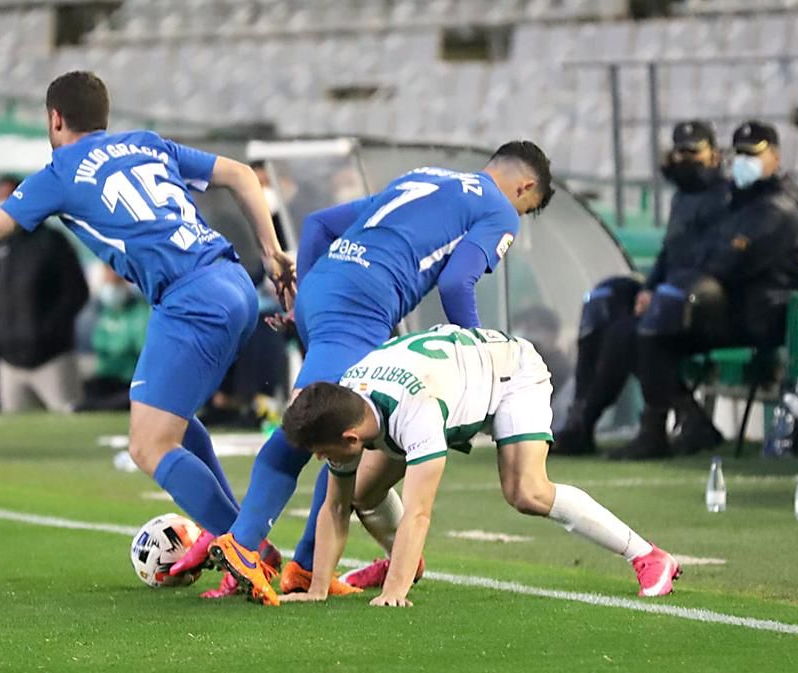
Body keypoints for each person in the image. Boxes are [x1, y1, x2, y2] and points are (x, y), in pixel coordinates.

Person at [0, 71, 295, 598]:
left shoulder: (59, 172)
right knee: (174, 423)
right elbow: (241, 174)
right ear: (105, 116)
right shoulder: (145, 143)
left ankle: (245, 547)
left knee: (147, 445)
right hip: (231, 281)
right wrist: (273, 252)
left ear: (55, 119)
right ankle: (239, 537)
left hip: (188, 298)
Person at [173, 142, 555, 606]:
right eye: (526, 206)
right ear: (525, 186)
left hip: (326, 291)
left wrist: (304, 300)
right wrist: (472, 349)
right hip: (360, 307)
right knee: (312, 426)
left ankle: (308, 565)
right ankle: (245, 546)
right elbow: (458, 282)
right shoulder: (498, 209)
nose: (519, 212)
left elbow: (318, 225)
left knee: (343, 430)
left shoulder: (427, 177)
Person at [275, 324, 680, 607]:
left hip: (511, 374)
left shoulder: (415, 413)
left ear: (349, 438)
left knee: (527, 492)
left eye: (322, 452)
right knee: (361, 492)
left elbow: (419, 512)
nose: (319, 459)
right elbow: (335, 506)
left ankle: (647, 556)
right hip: (452, 378)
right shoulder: (348, 404)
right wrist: (319, 589)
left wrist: (395, 592)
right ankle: (404, 561)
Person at [621, 120, 798, 459]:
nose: (742, 161)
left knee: (653, 332)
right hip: (736, 313)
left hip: (760, 320)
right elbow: (704, 254)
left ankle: (664, 429)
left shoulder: (775, 209)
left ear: (775, 157)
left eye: (752, 154)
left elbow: (726, 263)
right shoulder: (743, 202)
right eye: (738, 153)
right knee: (638, 330)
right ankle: (687, 423)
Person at [554, 120, 730, 457]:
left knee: (625, 335)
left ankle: (613, 426)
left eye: (693, 151)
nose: (684, 158)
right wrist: (648, 290)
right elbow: (670, 254)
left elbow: (709, 261)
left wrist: (660, 295)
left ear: (714, 154)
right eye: (680, 151)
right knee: (604, 309)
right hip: (671, 300)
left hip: (703, 307)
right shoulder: (683, 198)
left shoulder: (724, 197)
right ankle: (582, 419)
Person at [0, 178, 90, 412]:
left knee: (68, 425)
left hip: (52, 359)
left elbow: (76, 292)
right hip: (8, 362)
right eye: (2, 198)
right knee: (16, 437)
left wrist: (48, 331)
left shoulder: (51, 242)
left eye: (11, 196)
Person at [75, 266, 149, 412]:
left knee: (123, 399)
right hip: (106, 378)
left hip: (129, 379)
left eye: (116, 282)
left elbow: (141, 349)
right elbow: (98, 343)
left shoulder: (140, 311)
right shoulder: (101, 311)